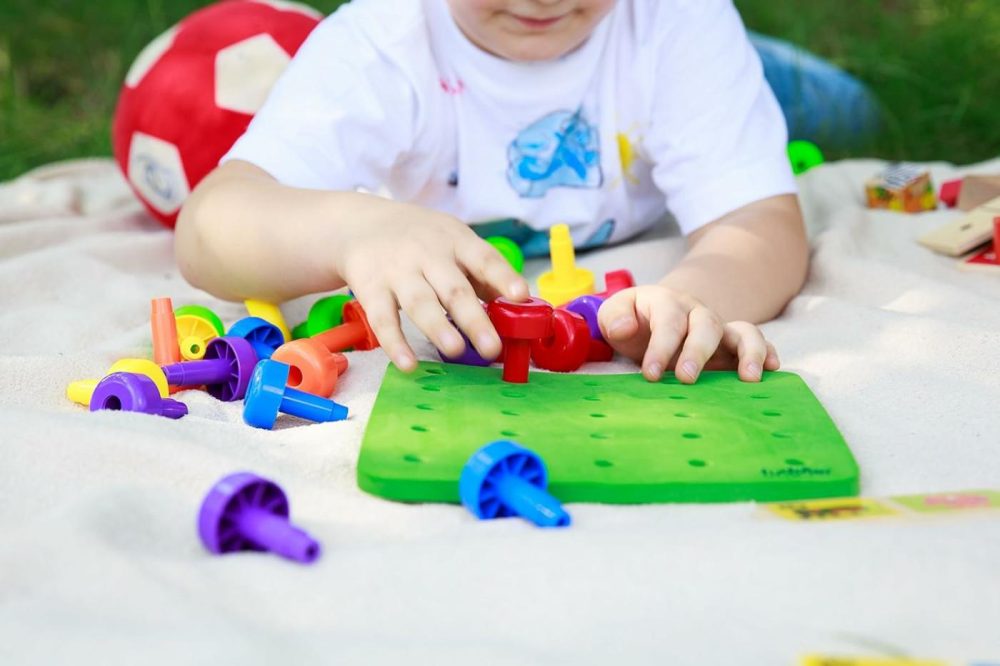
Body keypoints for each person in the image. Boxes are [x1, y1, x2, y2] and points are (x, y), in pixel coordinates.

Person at [176, 0, 815, 385]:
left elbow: (760, 220)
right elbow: (210, 224)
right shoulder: (382, 39)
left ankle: (807, 79)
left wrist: (690, 299)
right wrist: (353, 228)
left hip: (696, 66)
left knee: (833, 106)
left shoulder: (677, 21)